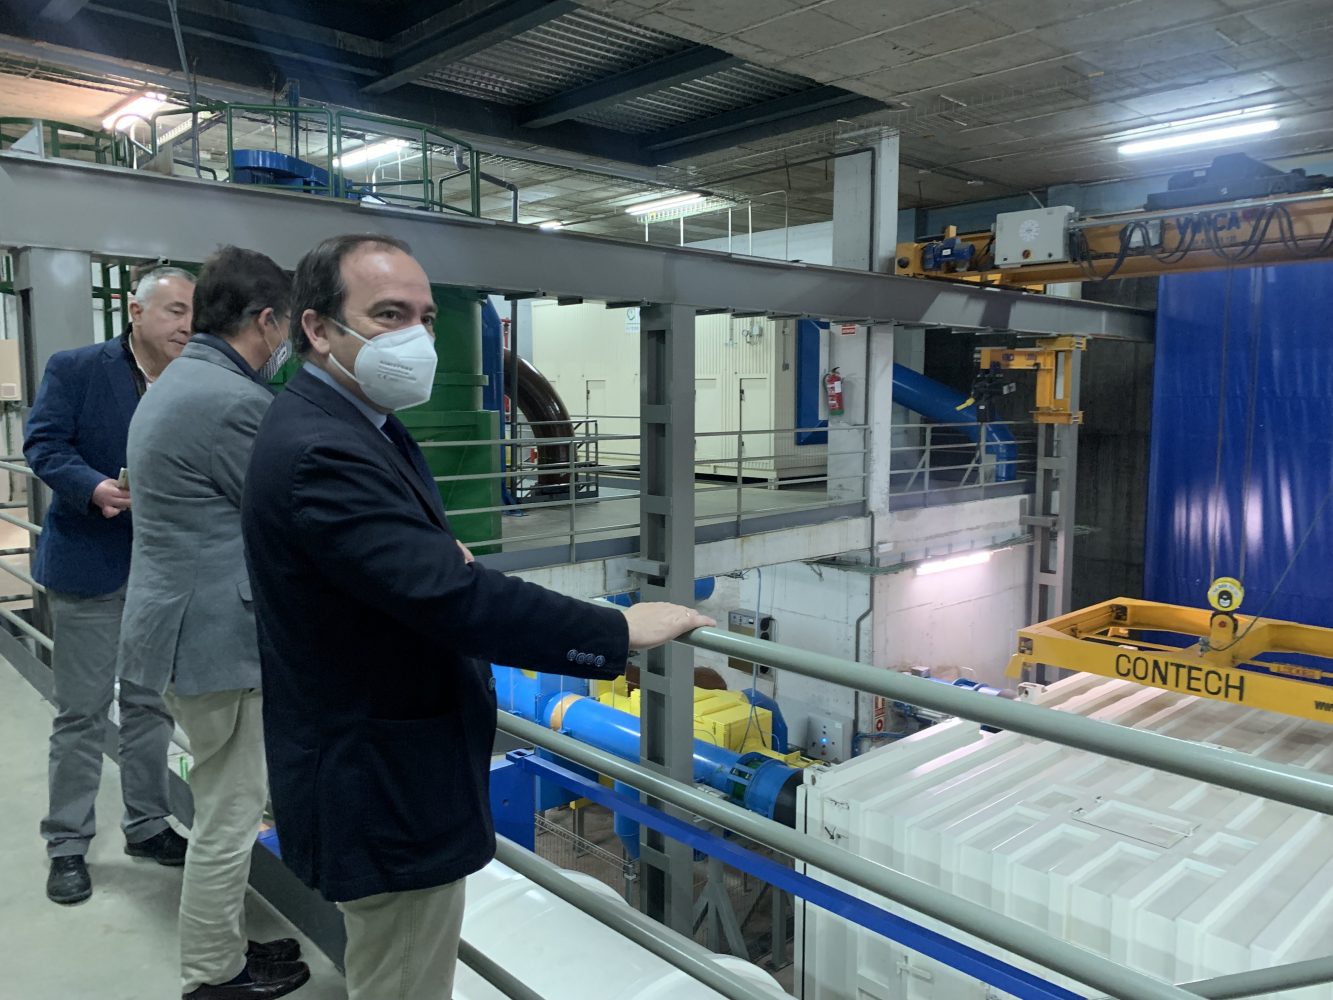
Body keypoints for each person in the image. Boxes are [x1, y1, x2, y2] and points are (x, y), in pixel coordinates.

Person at [241, 234, 714, 1000]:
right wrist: (617, 630)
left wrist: (429, 557)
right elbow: (453, 598)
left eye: (426, 318)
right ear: (317, 329)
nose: (417, 338)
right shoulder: (321, 448)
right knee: (403, 985)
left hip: (387, 766)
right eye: (389, 314)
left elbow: (406, 567)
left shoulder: (358, 422)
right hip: (382, 785)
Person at [118, 246, 309, 1000]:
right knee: (229, 818)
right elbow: (287, 519)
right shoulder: (234, 401)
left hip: (176, 625)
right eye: (288, 324)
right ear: (266, 321)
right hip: (215, 640)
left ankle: (222, 950)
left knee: (222, 805)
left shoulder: (178, 380)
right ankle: (212, 976)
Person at [26, 265, 194, 906]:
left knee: (150, 706)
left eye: (194, 314)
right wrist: (92, 486)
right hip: (91, 566)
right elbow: (44, 445)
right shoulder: (77, 369)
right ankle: (67, 842)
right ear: (135, 310)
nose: (187, 325)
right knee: (82, 713)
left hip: (162, 572)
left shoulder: (192, 379)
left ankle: (147, 825)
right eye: (175, 310)